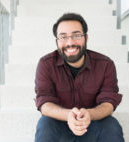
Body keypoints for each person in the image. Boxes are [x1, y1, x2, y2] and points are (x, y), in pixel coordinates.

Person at [34, 13, 124, 142]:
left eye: (76, 35)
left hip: (92, 122)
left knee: (111, 125)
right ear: (57, 41)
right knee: (45, 124)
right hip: (59, 122)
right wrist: (68, 115)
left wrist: (89, 114)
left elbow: (108, 103)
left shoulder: (105, 64)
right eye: (63, 37)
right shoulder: (46, 64)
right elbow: (44, 103)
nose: (70, 43)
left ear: (86, 38)